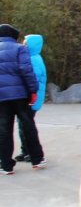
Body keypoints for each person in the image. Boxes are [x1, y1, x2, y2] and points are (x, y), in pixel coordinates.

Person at [0, 24, 46, 174]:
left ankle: (6, 166)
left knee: (4, 130)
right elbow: (26, 70)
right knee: (28, 126)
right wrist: (33, 90)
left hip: (2, 98)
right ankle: (37, 159)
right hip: (20, 95)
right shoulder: (20, 49)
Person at [13, 34, 47, 163]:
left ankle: (30, 152)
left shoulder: (33, 59)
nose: (23, 44)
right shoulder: (31, 58)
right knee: (23, 126)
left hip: (32, 98)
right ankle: (26, 151)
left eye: (26, 43)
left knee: (26, 126)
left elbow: (32, 81)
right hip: (30, 97)